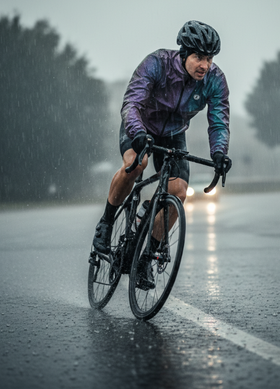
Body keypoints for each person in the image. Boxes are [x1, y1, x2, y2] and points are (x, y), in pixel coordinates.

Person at [93, 20, 232, 283]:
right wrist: (138, 133)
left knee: (178, 193)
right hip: (140, 125)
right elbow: (131, 102)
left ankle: (147, 257)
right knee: (138, 163)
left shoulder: (214, 80)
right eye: (199, 57)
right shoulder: (157, 63)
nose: (205, 65)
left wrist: (219, 153)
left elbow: (219, 121)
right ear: (184, 53)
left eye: (210, 59)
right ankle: (106, 222)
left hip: (173, 134)